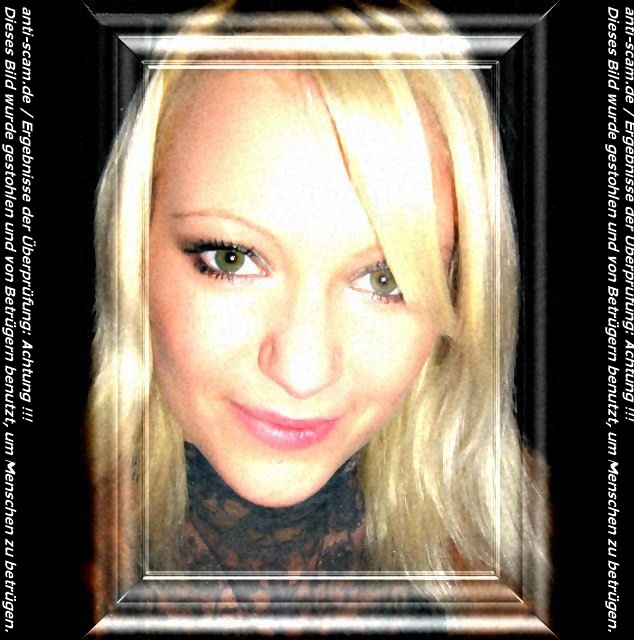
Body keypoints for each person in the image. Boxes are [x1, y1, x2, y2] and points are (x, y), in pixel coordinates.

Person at [85, 0, 549, 631]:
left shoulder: (528, 565)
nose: (302, 372)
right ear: (132, 254)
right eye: (232, 258)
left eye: (384, 279)